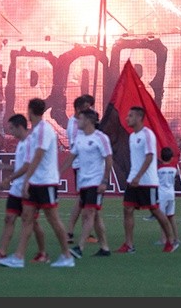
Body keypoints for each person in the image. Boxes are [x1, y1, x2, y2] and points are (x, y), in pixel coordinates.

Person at [0, 98, 75, 268]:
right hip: (36, 182)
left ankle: (67, 255)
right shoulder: (37, 131)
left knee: (53, 219)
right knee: (27, 218)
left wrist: (26, 181)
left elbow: (38, 156)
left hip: (46, 182)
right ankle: (18, 257)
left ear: (30, 111)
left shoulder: (44, 130)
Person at [0, 114, 49, 264]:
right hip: (16, 188)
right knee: (9, 218)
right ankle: (1, 252)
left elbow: (27, 166)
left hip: (27, 187)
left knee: (32, 222)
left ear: (20, 127)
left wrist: (8, 179)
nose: (10, 132)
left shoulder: (30, 142)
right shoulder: (20, 143)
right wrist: (5, 167)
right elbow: (20, 165)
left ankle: (43, 253)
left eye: (11, 128)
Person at [115, 106, 179, 253]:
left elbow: (150, 157)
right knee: (127, 209)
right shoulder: (132, 136)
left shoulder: (147, 134)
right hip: (133, 180)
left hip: (147, 181)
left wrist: (138, 176)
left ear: (139, 117)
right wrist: (133, 176)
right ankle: (129, 245)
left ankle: (170, 241)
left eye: (130, 116)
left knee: (155, 210)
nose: (127, 118)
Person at [59, 108, 113, 258]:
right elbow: (71, 157)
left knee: (89, 213)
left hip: (96, 182)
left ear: (88, 121)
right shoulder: (80, 138)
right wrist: (58, 173)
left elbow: (109, 160)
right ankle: (104, 248)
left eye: (81, 119)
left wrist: (104, 181)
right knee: (95, 216)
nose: (78, 122)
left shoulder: (101, 138)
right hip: (83, 182)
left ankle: (80, 247)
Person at [65, 95, 98, 245]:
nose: (89, 110)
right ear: (78, 109)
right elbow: (75, 147)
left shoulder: (84, 122)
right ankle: (75, 232)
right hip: (81, 166)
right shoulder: (74, 125)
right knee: (83, 201)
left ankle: (72, 232)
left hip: (87, 166)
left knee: (84, 201)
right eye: (86, 107)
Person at [155, 146, 180, 248]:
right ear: (171, 158)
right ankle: (176, 238)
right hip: (171, 193)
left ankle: (163, 238)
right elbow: (177, 175)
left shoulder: (159, 169)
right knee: (171, 216)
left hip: (162, 194)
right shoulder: (174, 168)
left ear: (161, 157)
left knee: (162, 217)